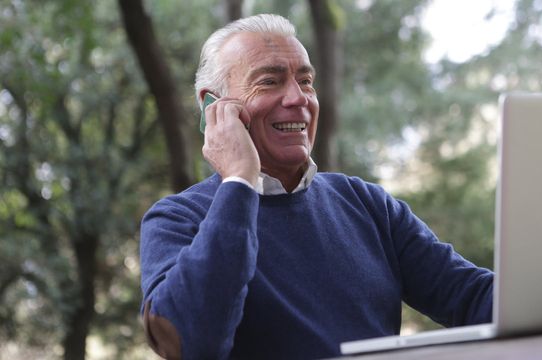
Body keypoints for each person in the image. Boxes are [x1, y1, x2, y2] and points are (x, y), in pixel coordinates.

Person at [139, 13, 493, 360]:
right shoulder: (176, 219)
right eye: (269, 81)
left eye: (306, 81)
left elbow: (472, 296)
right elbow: (189, 343)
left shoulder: (366, 204)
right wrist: (239, 181)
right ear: (213, 107)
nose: (298, 99)